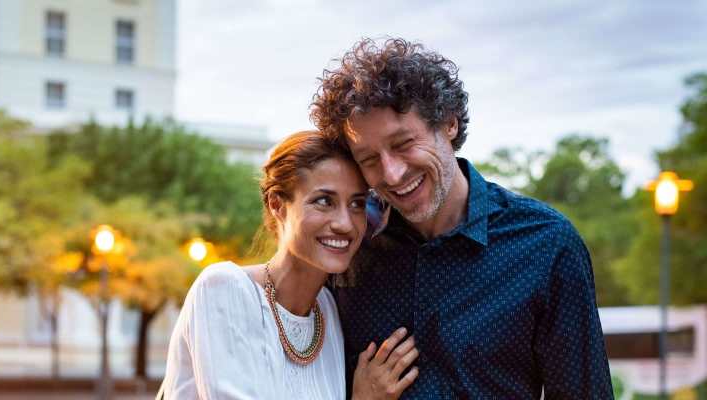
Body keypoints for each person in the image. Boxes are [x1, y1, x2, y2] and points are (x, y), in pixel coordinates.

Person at [311, 38, 614, 398]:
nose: (391, 174)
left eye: (404, 143)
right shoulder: (348, 250)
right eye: (369, 159)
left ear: (449, 123)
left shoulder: (547, 245)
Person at [158, 131, 418, 399]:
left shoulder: (326, 308)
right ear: (277, 205)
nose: (345, 223)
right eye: (324, 201)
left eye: (356, 204)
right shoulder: (223, 288)